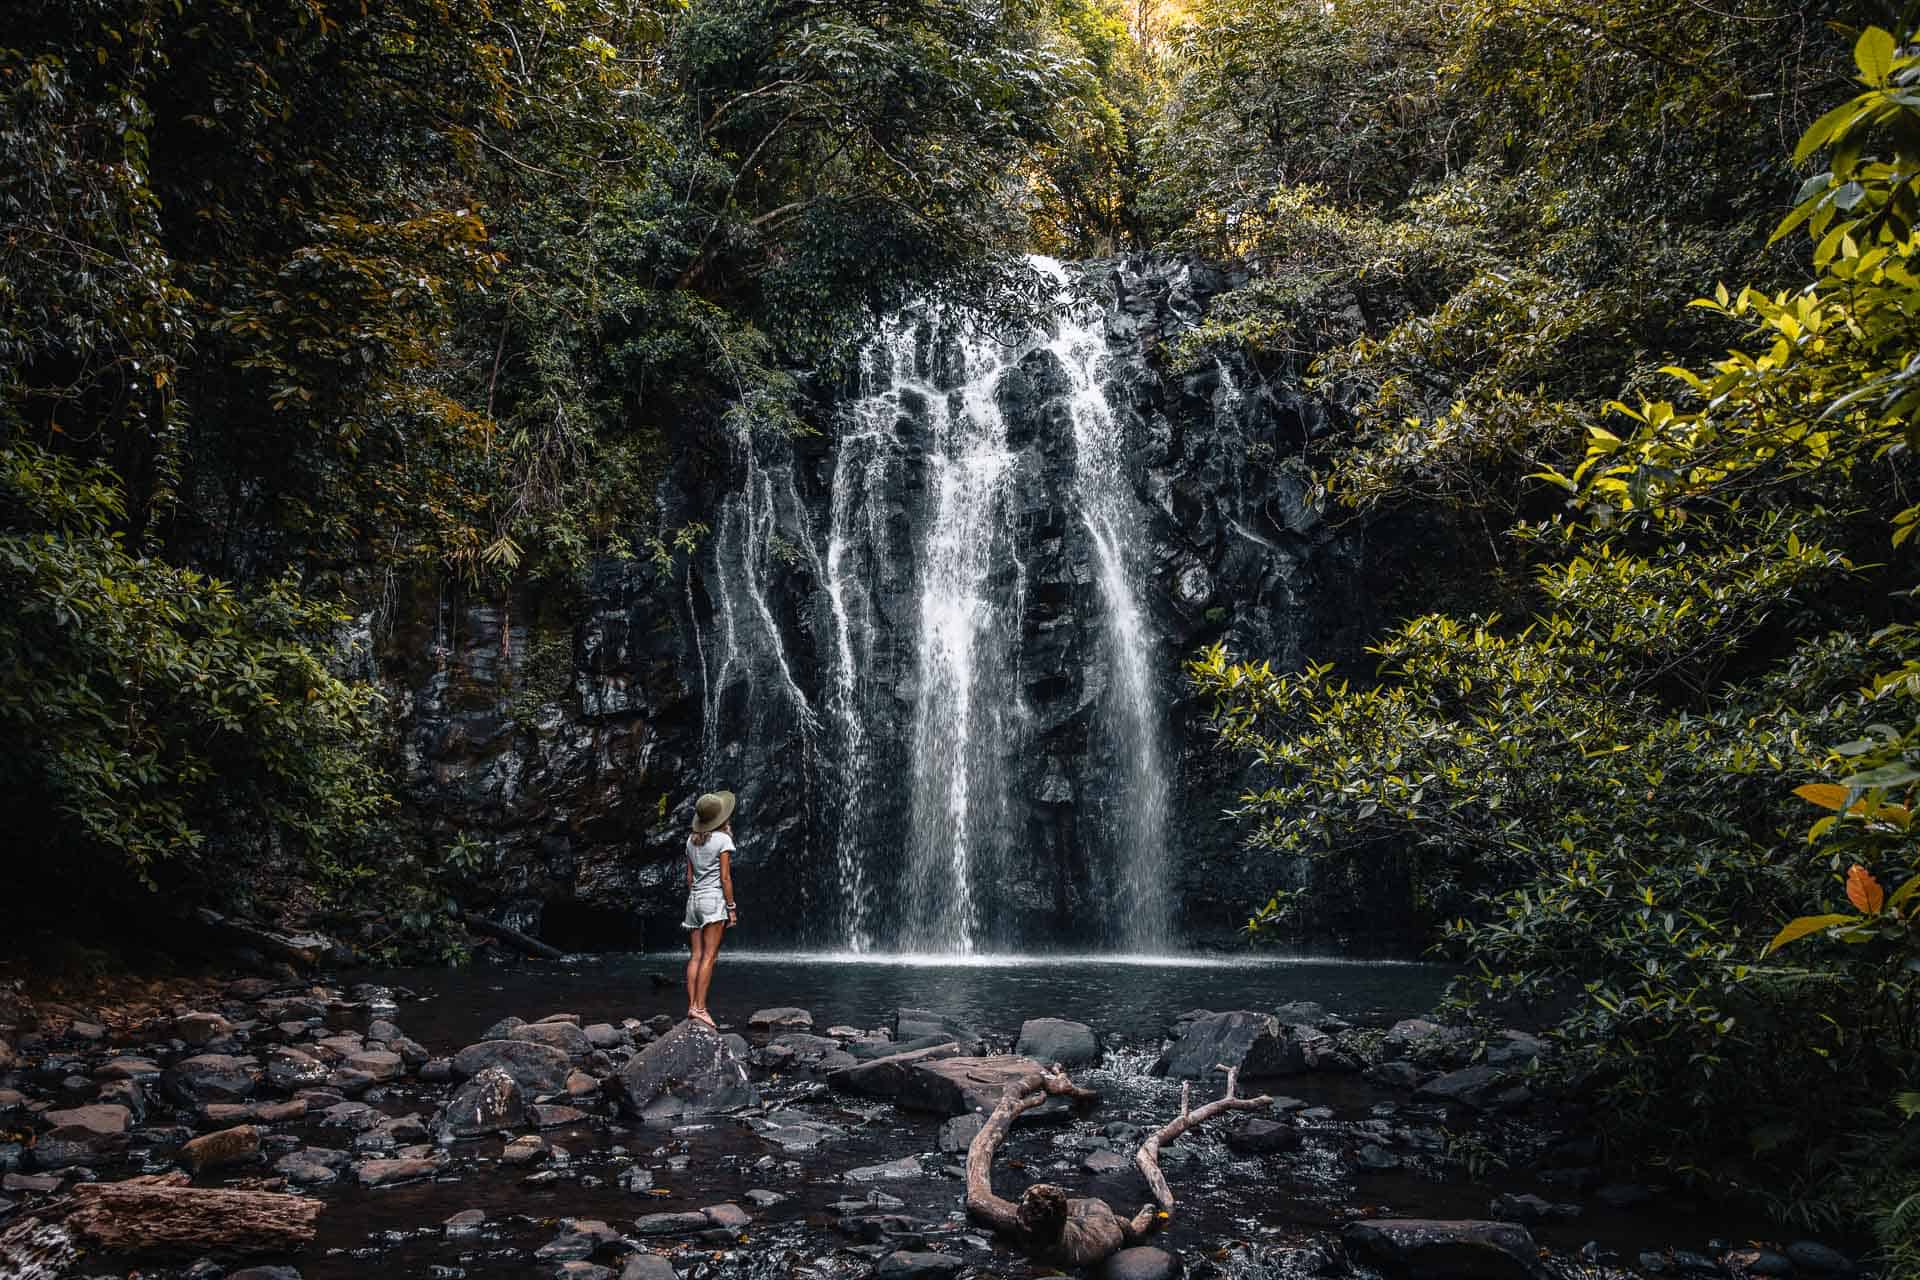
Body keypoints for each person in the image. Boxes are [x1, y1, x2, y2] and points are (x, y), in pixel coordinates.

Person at [683, 790, 738, 1026]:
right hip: (713, 901)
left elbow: (689, 877)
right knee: (709, 956)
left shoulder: (690, 840)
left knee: (695, 955)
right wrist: (732, 907)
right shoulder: (723, 840)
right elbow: (725, 878)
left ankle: (691, 1006)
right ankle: (701, 1007)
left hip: (693, 901)